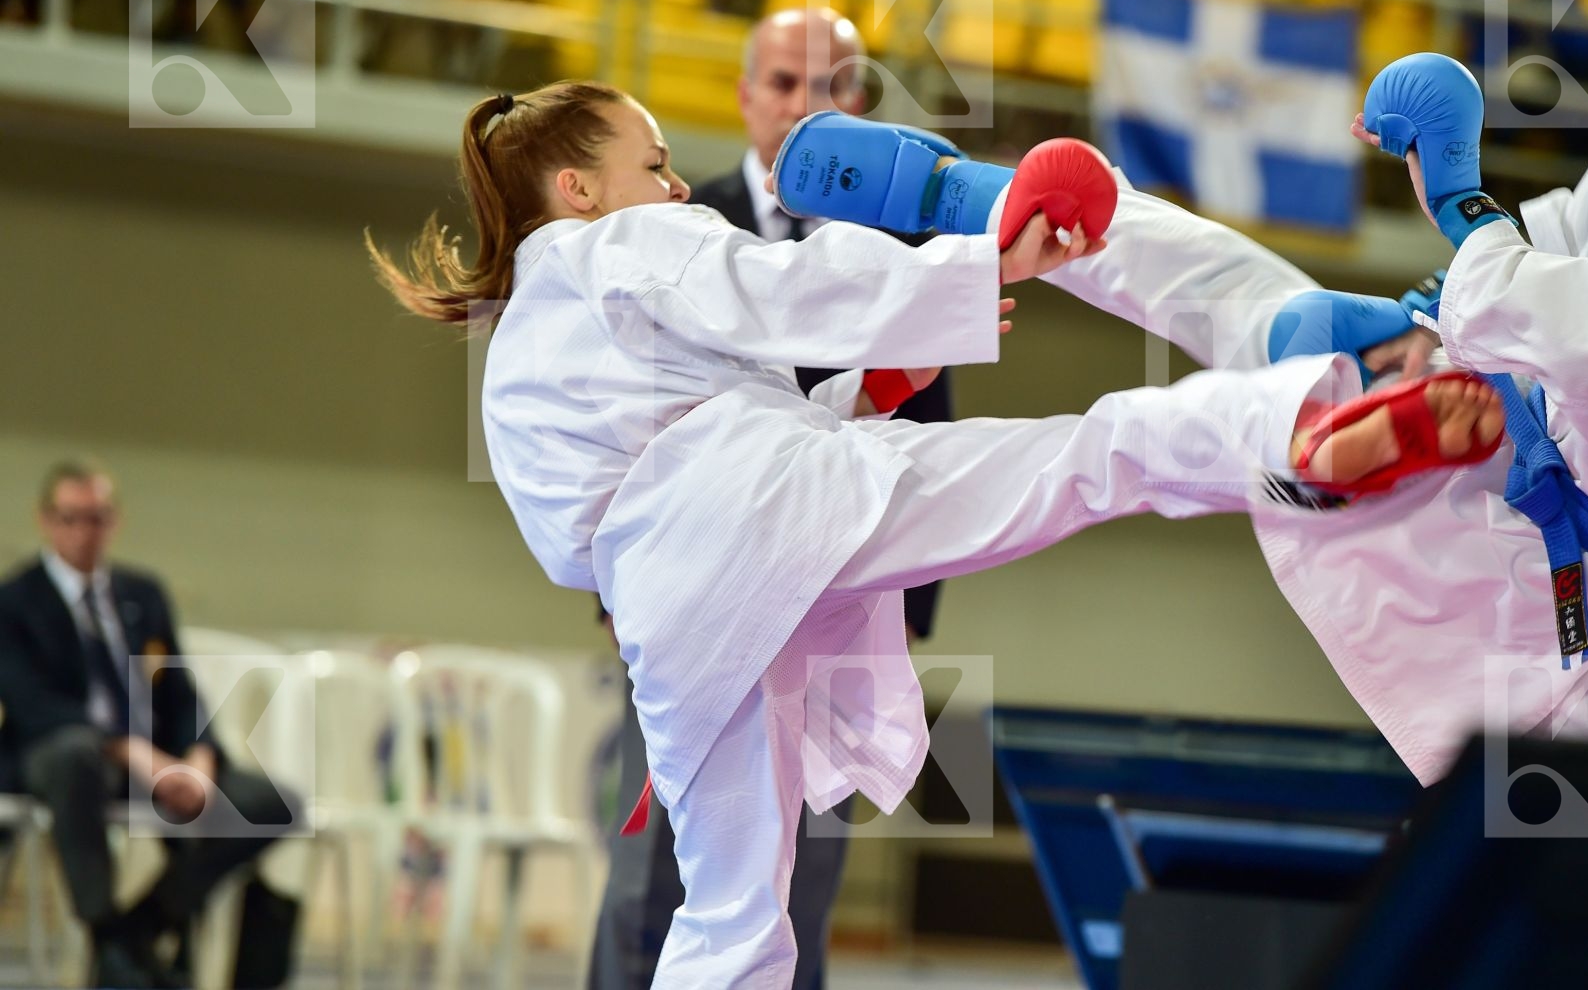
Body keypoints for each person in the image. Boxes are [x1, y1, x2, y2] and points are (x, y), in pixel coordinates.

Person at [366, 78, 1501, 986]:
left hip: (676, 620)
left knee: (727, 913)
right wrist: (981, 257)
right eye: (653, 164)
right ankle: (1292, 432)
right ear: (576, 187)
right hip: (771, 520)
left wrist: (872, 386)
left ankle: (1291, 435)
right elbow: (775, 290)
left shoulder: (519, 345)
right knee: (1086, 457)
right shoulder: (614, 245)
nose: (674, 187)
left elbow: (668, 479)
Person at [986, 0, 1588, 786]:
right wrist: (1426, 308)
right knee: (1292, 339)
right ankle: (984, 201)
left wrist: (1459, 203)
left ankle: (1333, 426)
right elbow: (1560, 235)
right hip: (1510, 465)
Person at [590, 6, 951, 990]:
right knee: (645, 890)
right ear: (747, 95)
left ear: (861, 104)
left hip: (829, 614)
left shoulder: (895, 246)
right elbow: (626, 420)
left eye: (830, 85)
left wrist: (903, 620)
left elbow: (924, 424)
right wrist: (623, 601)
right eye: (784, 83)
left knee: (800, 890)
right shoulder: (672, 224)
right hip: (684, 615)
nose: (804, 106)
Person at [0, 462, 297, 989]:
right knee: (75, 754)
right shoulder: (16, 600)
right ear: (47, 520)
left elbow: (180, 694)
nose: (85, 532)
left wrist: (199, 760)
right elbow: (32, 705)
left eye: (98, 518)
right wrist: (139, 756)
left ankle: (135, 932)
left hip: (154, 761)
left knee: (273, 804)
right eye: (73, 518)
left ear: (115, 521)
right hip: (61, 761)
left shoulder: (141, 595)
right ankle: (102, 928)